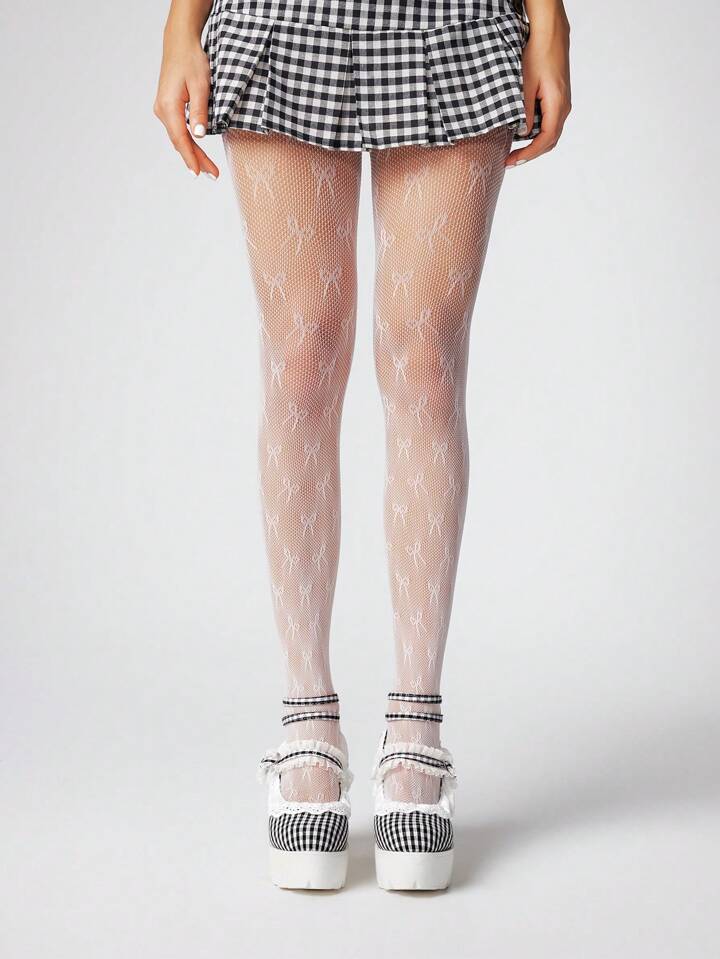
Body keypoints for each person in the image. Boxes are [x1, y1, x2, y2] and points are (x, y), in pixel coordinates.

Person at [154, 0, 571, 891]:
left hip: (453, 20)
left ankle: (416, 730)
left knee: (426, 362)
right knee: (301, 356)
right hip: (283, 16)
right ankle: (307, 719)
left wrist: (550, 18)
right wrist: (181, 23)